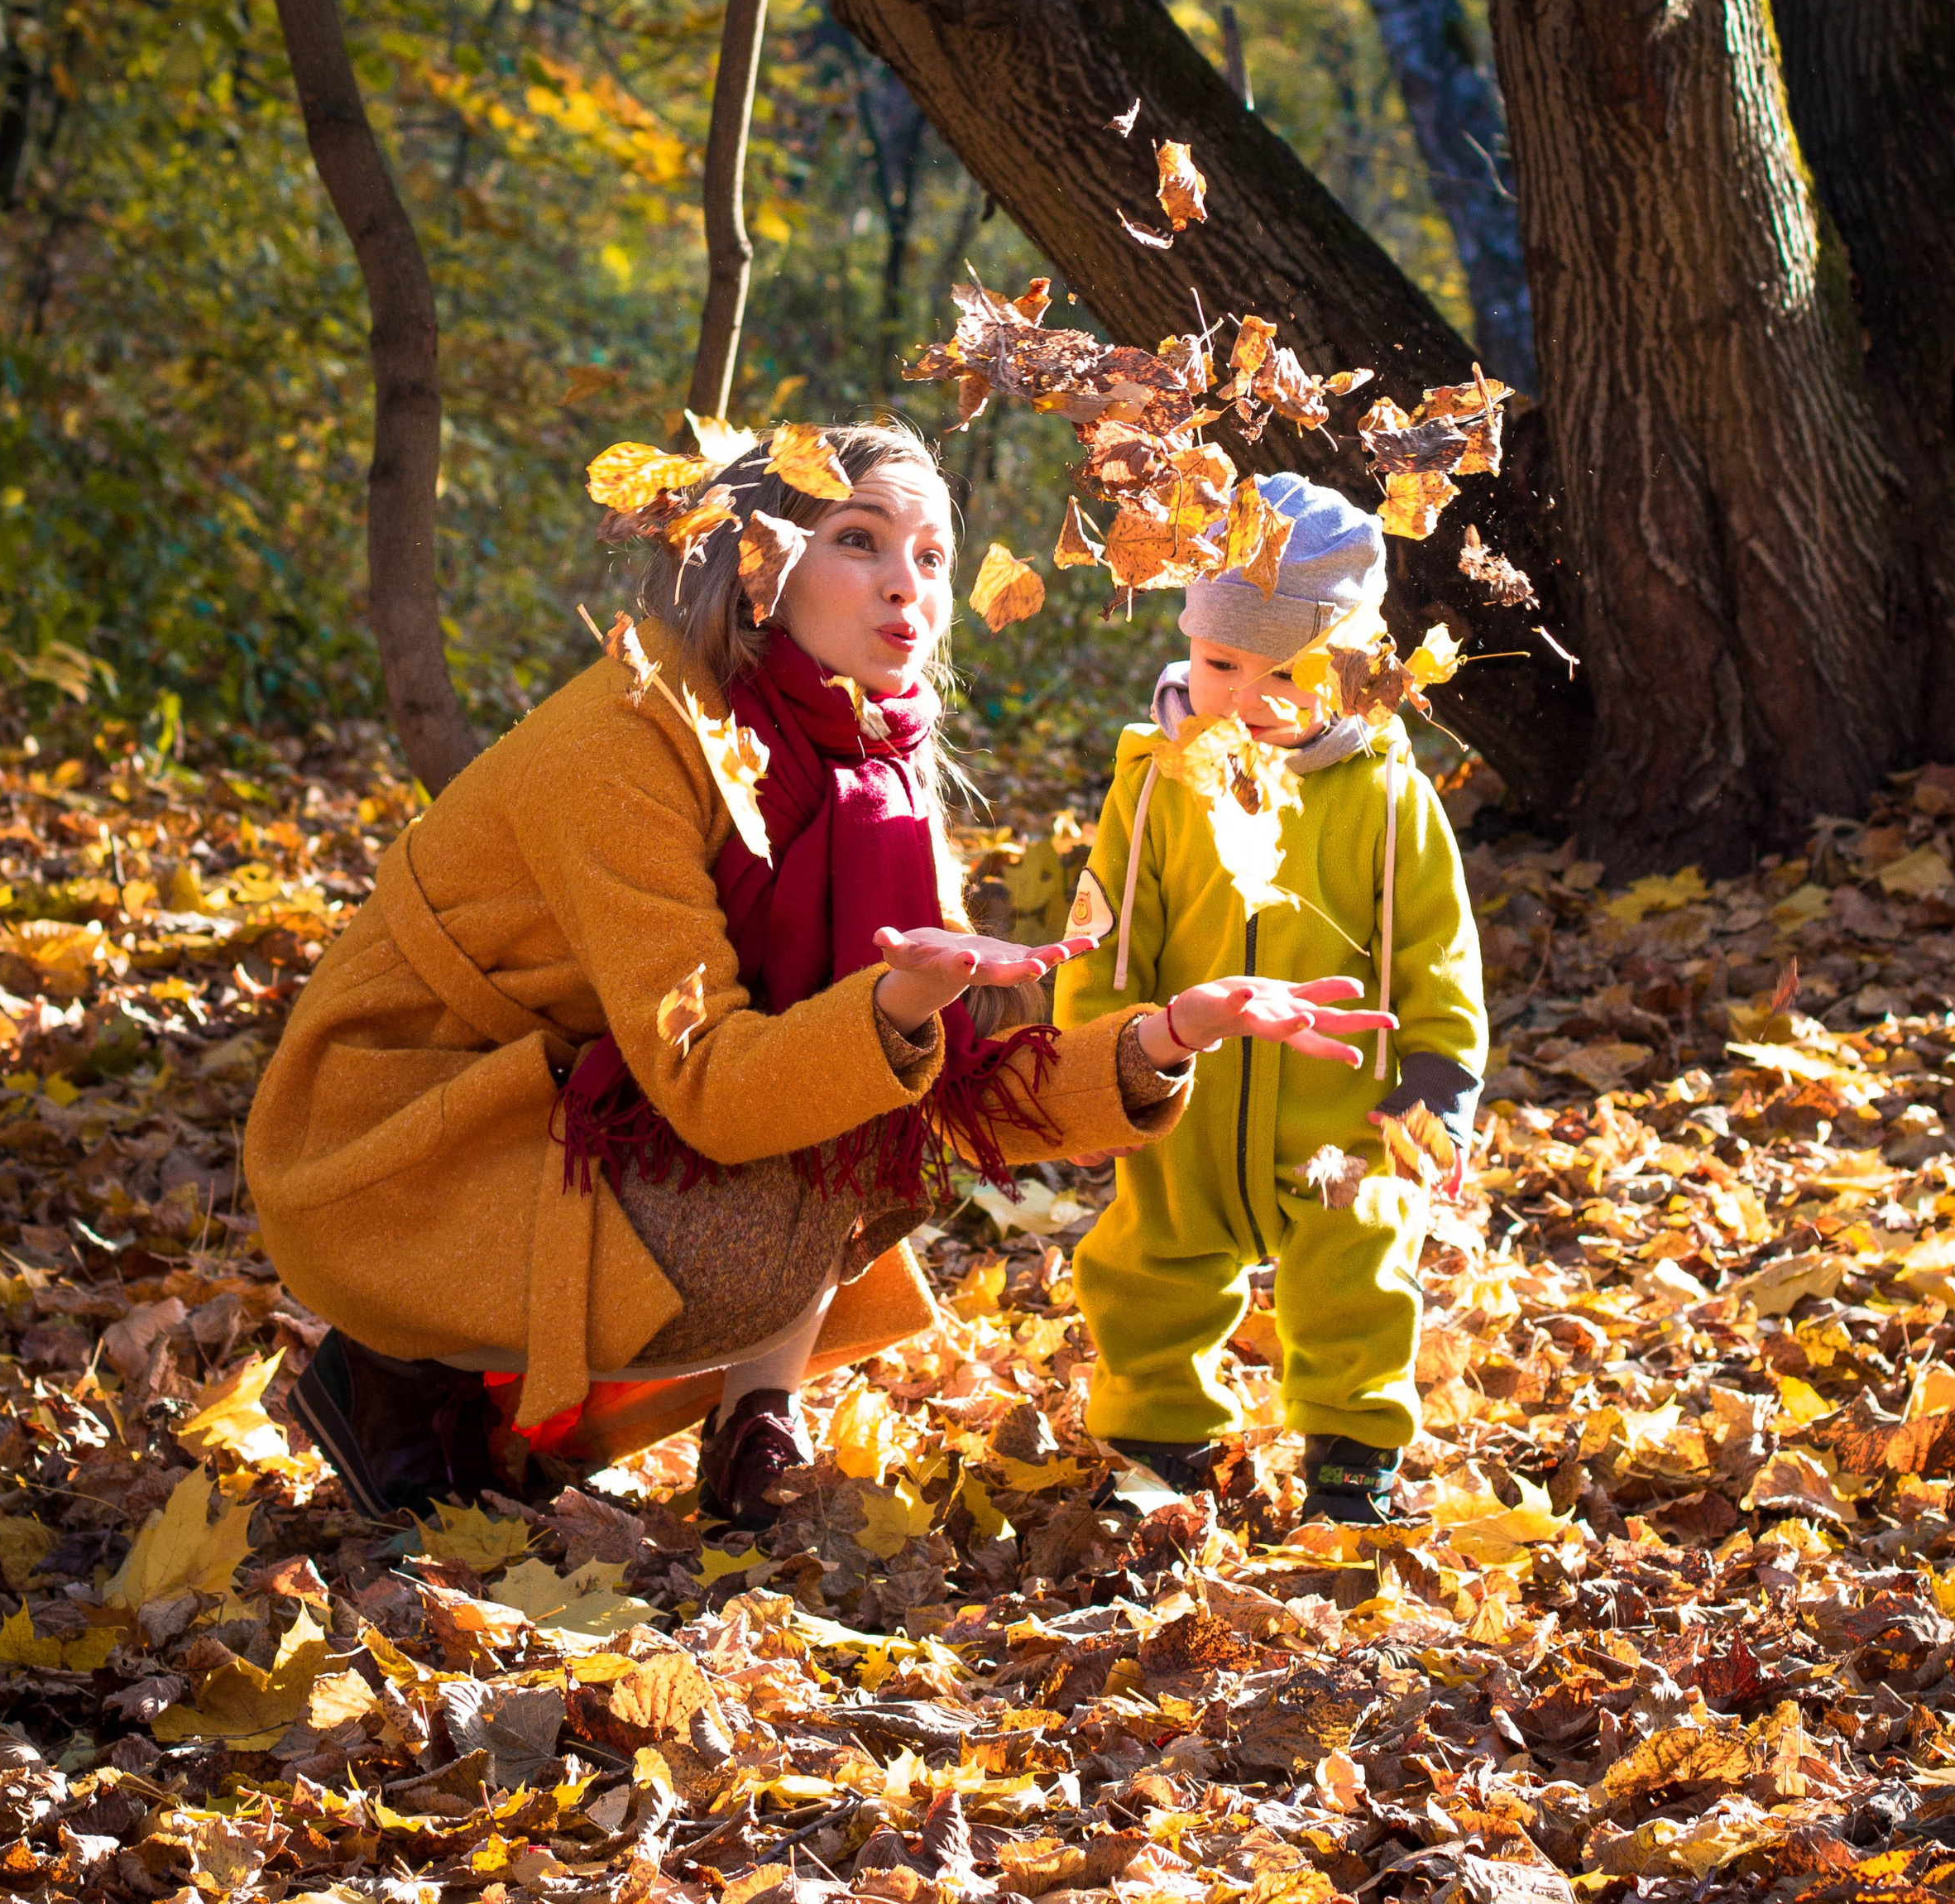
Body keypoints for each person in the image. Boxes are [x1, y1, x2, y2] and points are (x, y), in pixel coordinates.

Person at [244, 424, 1390, 1526]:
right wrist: (891, 1011)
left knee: (883, 1112)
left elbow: (962, 1097)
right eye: (860, 538)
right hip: (391, 1138)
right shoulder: (629, 739)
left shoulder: (872, 769)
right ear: (761, 562)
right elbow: (713, 1084)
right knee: (810, 1161)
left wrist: (1166, 1038)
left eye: (933, 557)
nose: (910, 585)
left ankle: (751, 1421)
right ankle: (408, 1362)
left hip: (564, 1093)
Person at [1055, 471, 1488, 1526]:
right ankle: (1158, 1443)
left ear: (1355, 667)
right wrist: (1099, 1060)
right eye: (1220, 663)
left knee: (1359, 1268)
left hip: (1347, 1101)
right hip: (1187, 1093)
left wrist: (1436, 1086)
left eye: (1292, 673)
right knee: (1150, 1259)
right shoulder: (1157, 781)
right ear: (1188, 643)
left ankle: (1352, 1451)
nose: (1250, 698)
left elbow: (1437, 949)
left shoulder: (1390, 796)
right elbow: (1109, 933)